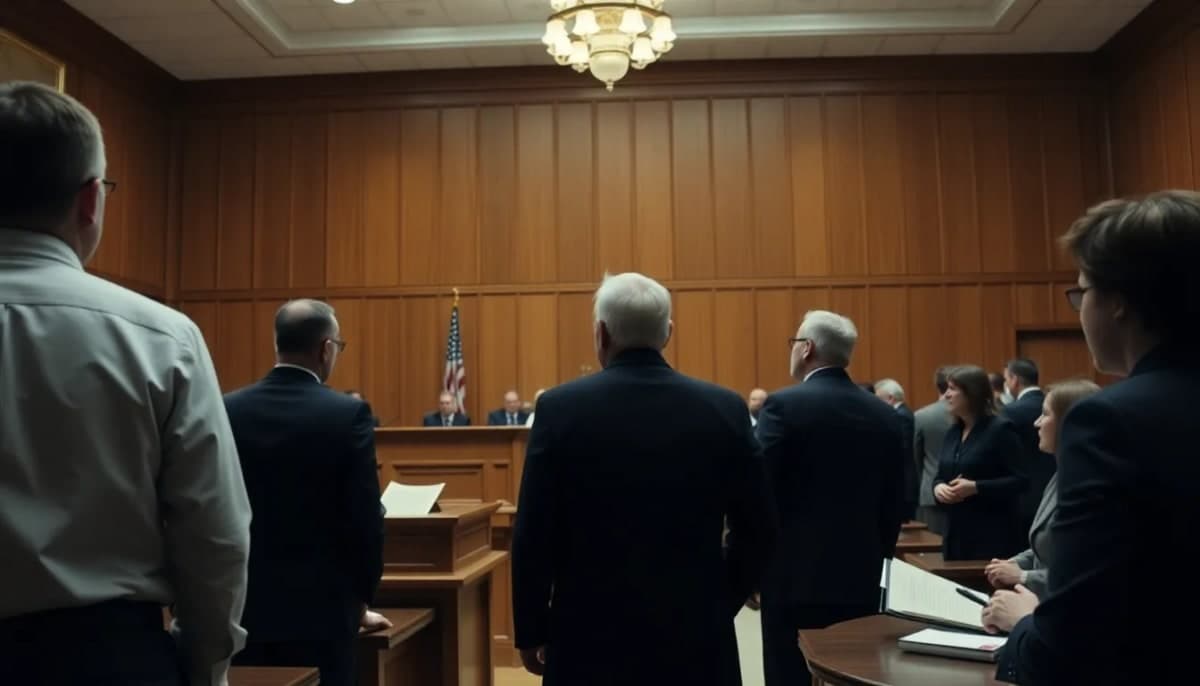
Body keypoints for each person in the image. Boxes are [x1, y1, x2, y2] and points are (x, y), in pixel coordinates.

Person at [0, 81, 251, 686]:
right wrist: (207, 667)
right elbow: (215, 536)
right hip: (105, 658)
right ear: (91, 199)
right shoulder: (161, 337)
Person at [511, 272, 774, 686]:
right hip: (696, 633)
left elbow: (533, 531)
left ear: (601, 334)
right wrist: (722, 599)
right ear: (668, 333)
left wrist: (530, 628)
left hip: (587, 635)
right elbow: (758, 526)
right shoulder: (724, 408)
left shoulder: (561, 410)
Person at [988, 191, 1200, 685]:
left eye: (1082, 292)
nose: (1080, 310)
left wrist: (1024, 625)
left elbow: (1074, 641)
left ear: (1119, 301)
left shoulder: (1111, 421)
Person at [225, 300, 389, 686]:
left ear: (276, 344)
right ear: (326, 348)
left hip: (244, 604)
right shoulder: (347, 414)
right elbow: (364, 517)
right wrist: (361, 601)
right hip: (323, 613)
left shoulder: (228, 408)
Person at [756, 311, 906, 686]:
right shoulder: (885, 416)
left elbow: (758, 489)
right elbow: (894, 503)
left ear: (806, 349)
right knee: (850, 675)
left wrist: (751, 565)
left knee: (788, 673)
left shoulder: (783, 406)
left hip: (792, 578)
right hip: (861, 575)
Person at [984, 380, 1100, 597]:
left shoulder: (1093, 487)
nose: (1037, 423)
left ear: (1069, 423)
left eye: (1045, 415)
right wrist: (1013, 563)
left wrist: (1023, 577)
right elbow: (1045, 549)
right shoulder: (1061, 474)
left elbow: (1090, 574)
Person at [932, 365, 1028, 560]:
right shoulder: (953, 432)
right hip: (956, 533)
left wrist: (976, 487)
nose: (946, 395)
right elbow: (941, 475)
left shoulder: (1001, 429)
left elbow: (1021, 481)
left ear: (972, 392)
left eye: (952, 389)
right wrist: (938, 488)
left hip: (991, 535)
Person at [1000, 359, 1053, 534]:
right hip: (1053, 486)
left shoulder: (1009, 411)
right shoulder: (1052, 403)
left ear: (1014, 379)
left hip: (1022, 493)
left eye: (1006, 379)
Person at [913, 367, 953, 534]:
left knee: (931, 552)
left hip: (930, 493)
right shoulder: (977, 415)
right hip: (969, 493)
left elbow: (916, 457)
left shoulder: (923, 416)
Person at [875, 378, 917, 519]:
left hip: (904, 483)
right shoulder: (904, 412)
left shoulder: (900, 416)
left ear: (890, 398)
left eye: (878, 399)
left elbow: (901, 449)